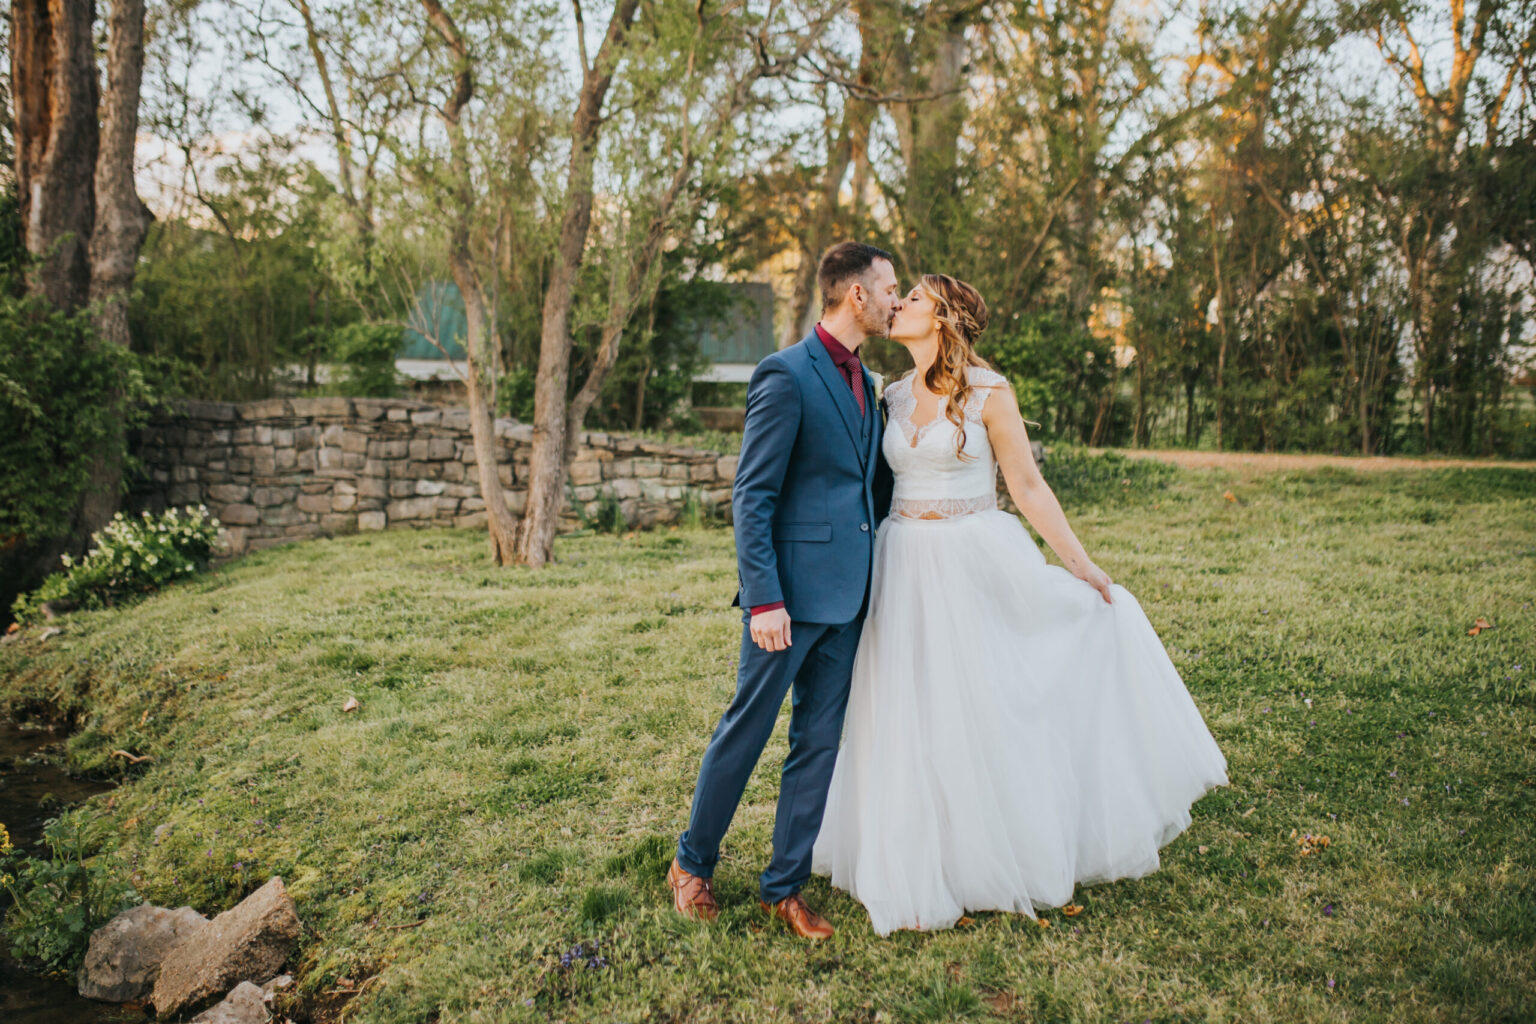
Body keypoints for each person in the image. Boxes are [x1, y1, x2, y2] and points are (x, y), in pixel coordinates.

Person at [808, 273, 1230, 936]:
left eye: (913, 297)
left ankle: (993, 849)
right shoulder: (890, 396)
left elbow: (1027, 487)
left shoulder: (989, 393)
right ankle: (918, 850)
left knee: (983, 704)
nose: (900, 304)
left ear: (943, 317)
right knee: (906, 706)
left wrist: (1082, 565)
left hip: (973, 559)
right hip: (901, 563)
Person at [667, 241, 899, 940]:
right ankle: (691, 864)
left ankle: (783, 887)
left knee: (818, 741)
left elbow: (868, 487)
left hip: (850, 598)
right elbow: (753, 493)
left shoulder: (872, 383)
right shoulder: (786, 374)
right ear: (855, 294)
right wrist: (764, 597)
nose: (896, 298)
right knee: (747, 727)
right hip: (788, 601)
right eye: (889, 287)